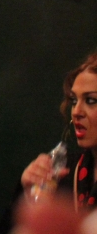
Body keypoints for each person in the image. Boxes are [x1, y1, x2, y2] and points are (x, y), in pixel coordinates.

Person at [18, 52, 97, 212]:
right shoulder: (63, 173)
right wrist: (29, 194)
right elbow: (19, 226)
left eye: (90, 100)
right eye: (74, 101)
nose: (76, 112)